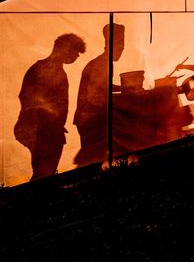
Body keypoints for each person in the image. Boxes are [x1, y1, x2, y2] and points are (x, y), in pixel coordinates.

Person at [14, 33, 86, 180]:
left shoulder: (46, 68)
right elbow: (28, 98)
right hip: (43, 131)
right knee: (44, 173)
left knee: (42, 170)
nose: (77, 56)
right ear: (64, 48)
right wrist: (50, 118)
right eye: (75, 51)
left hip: (45, 130)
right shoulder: (45, 69)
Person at [73, 23, 125, 166]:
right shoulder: (101, 63)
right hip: (89, 117)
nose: (121, 51)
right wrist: (124, 92)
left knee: (96, 158)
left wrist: (124, 89)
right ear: (110, 45)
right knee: (92, 160)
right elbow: (96, 92)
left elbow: (104, 87)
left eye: (123, 47)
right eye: (120, 47)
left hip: (91, 117)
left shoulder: (104, 62)